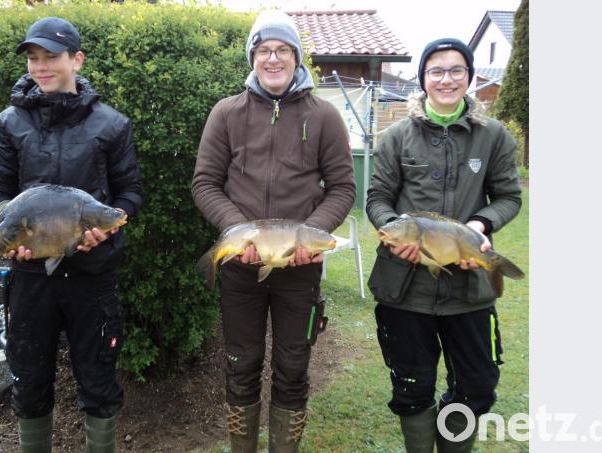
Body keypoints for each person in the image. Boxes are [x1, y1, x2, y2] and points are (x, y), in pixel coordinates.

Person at [191, 11, 355, 453]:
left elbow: (343, 188)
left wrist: (311, 234)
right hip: (241, 269)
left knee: (293, 368)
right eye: (263, 50)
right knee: (240, 365)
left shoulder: (324, 116)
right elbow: (205, 183)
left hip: (300, 272)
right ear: (252, 57)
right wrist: (236, 229)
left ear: (297, 56)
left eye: (283, 49)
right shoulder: (226, 113)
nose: (273, 58)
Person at [0, 17, 142, 453]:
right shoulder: (9, 123)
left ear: (77, 60)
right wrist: (11, 225)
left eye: (50, 57)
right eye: (33, 58)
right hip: (29, 277)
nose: (40, 66)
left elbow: (129, 193)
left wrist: (109, 227)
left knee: (99, 382)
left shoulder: (112, 124)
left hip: (92, 275)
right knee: (30, 382)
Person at [366, 37, 522, 453]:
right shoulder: (397, 136)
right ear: (423, 79)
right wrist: (393, 229)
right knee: (412, 386)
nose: (446, 79)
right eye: (436, 71)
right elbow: (377, 198)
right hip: (405, 289)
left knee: (477, 386)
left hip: (469, 289)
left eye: (456, 70)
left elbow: (509, 197)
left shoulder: (494, 136)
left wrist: (480, 225)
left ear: (469, 77)